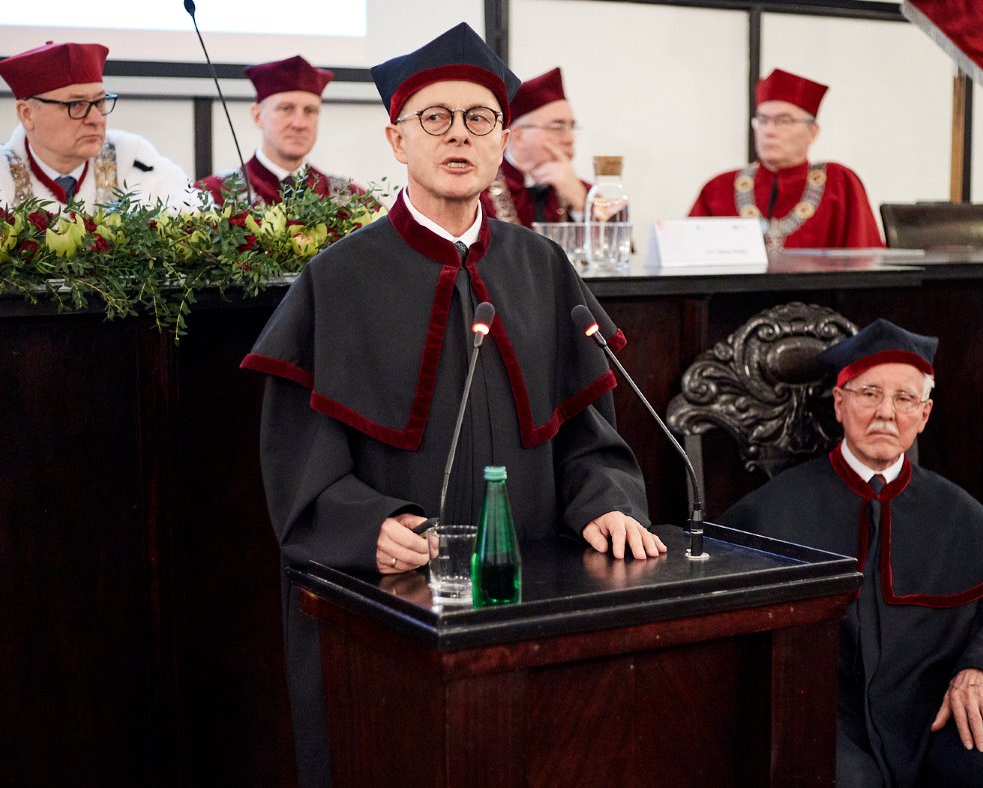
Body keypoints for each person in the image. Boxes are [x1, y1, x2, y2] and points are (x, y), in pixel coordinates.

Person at [240, 23, 664, 788]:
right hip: (394, 602)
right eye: (435, 118)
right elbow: (299, 458)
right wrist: (363, 526)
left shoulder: (543, 266)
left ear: (502, 140)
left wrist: (607, 500)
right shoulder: (338, 278)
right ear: (397, 140)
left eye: (479, 118)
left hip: (533, 595)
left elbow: (588, 434)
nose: (459, 134)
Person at [723, 318, 983, 788]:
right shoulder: (771, 510)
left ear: (924, 414)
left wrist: (982, 668)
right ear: (840, 403)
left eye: (904, 399)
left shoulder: (958, 512)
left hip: (936, 714)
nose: (886, 413)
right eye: (870, 393)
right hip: (827, 717)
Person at [0, 41, 193, 212]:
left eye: (100, 102)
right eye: (76, 105)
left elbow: (194, 216)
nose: (96, 119)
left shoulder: (133, 163)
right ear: (27, 114)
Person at [689, 68, 883, 250]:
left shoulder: (839, 184)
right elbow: (688, 255)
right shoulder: (718, 189)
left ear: (812, 131)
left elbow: (865, 259)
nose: (769, 131)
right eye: (763, 120)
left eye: (784, 121)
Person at [196, 55, 365, 206]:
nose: (299, 124)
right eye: (286, 109)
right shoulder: (212, 196)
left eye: (310, 111)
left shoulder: (352, 200)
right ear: (257, 115)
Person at [480, 67, 588, 226]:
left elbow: (616, 238)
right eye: (557, 127)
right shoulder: (479, 191)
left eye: (571, 127)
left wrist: (581, 204)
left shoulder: (585, 192)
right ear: (518, 136)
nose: (570, 139)